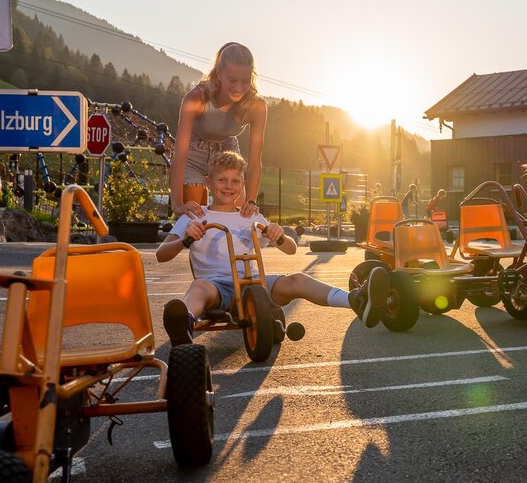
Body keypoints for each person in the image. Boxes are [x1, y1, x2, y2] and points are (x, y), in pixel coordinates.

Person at [157, 152, 389, 345]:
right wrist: (186, 240)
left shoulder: (250, 215)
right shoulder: (195, 215)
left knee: (298, 279)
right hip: (216, 287)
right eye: (222, 180)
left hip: (254, 283)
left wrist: (279, 236)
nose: (228, 186)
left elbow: (291, 249)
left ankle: (356, 300)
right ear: (208, 182)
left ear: (242, 185)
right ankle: (183, 322)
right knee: (198, 286)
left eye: (235, 181)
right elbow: (161, 255)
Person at [170, 42, 267, 220]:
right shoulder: (196, 98)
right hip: (194, 151)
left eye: (245, 81)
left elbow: (254, 161)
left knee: (239, 216)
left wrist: (251, 202)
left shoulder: (257, 106)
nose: (239, 88)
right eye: (232, 80)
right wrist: (177, 205)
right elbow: (180, 154)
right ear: (219, 73)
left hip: (227, 151)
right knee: (196, 217)